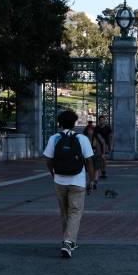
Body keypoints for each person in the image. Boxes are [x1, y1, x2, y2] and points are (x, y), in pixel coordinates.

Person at [44, 110, 94, 258]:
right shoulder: (82, 138)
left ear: (59, 123)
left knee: (65, 212)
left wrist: (53, 173)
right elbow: (90, 160)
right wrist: (91, 180)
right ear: (74, 123)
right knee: (75, 211)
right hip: (77, 181)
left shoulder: (54, 138)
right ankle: (68, 241)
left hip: (59, 181)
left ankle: (70, 241)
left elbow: (48, 160)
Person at [83, 124, 104, 191]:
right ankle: (91, 181)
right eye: (89, 129)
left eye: (91, 129)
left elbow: (103, 142)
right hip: (88, 155)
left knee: (96, 168)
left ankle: (94, 182)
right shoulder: (85, 137)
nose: (90, 131)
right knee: (90, 169)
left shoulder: (97, 135)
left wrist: (103, 153)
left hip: (97, 154)